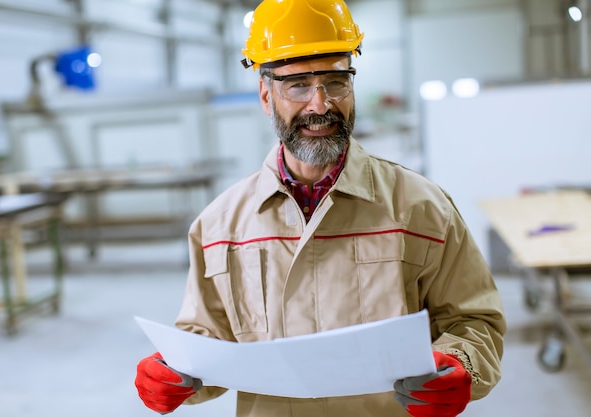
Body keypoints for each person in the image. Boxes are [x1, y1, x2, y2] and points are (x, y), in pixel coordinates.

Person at [134, 0, 506, 416]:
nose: (320, 104)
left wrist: (462, 364)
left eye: (335, 81)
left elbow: (474, 321)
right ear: (265, 95)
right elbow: (206, 339)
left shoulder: (422, 207)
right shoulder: (220, 224)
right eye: (297, 85)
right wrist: (172, 374)